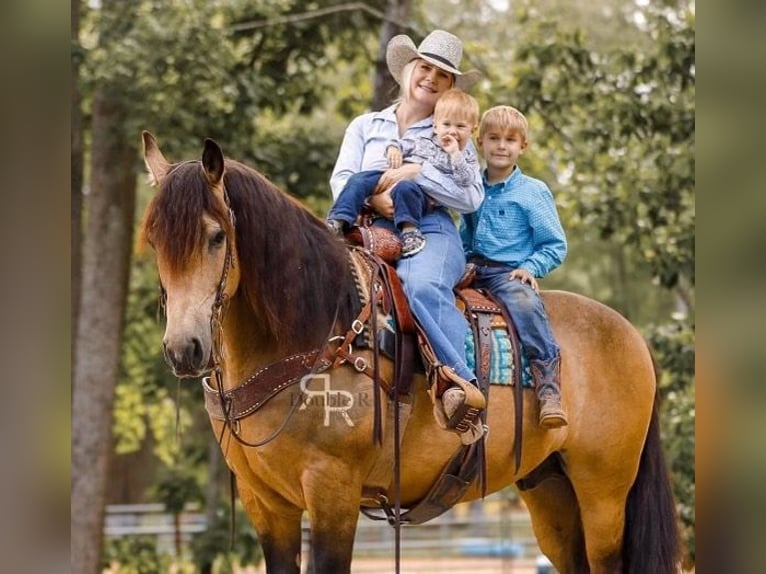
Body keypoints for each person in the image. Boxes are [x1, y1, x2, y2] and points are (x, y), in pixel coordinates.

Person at [329, 30, 486, 443]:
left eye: (442, 75)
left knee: (421, 286)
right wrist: (381, 199)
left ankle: (461, 386)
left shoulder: (453, 130)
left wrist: (418, 174)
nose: (431, 78)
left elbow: (470, 196)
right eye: (425, 67)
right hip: (367, 227)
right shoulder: (366, 125)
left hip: (430, 226)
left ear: (450, 87)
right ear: (407, 70)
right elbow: (344, 178)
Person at [460, 105, 569, 428]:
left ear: (523, 146)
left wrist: (530, 267)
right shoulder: (473, 188)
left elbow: (554, 244)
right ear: (480, 142)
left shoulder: (532, 192)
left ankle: (548, 387)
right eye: (494, 138)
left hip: (509, 272)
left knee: (525, 304)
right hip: (472, 268)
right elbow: (464, 233)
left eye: (510, 140)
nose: (501, 146)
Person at [327, 88, 481, 258]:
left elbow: (466, 181)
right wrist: (394, 149)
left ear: (472, 130)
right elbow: (403, 144)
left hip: (417, 191)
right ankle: (339, 220)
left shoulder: (465, 154)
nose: (452, 131)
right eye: (446, 125)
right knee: (358, 180)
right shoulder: (423, 141)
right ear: (435, 126)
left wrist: (454, 155)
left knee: (406, 188)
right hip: (385, 181)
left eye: (460, 126)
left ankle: (410, 231)